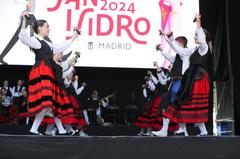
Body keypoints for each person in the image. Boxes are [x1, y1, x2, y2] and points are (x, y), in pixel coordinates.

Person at [18, 11, 80, 135]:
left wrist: (75, 35)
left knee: (49, 103)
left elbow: (62, 46)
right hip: (41, 72)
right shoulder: (36, 41)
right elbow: (22, 37)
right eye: (47, 26)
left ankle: (35, 129)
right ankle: (43, 129)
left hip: (48, 72)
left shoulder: (48, 44)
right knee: (47, 102)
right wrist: (24, 21)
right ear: (39, 28)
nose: (49, 29)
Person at [161, 14, 212, 136]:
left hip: (199, 79)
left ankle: (186, 130)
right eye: (195, 34)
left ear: (203, 37)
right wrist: (169, 39)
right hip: (194, 79)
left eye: (196, 34)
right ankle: (203, 131)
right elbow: (180, 50)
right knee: (191, 103)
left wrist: (198, 21)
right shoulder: (195, 49)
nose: (195, 36)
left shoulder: (204, 48)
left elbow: (200, 34)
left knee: (191, 102)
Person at [152, 35, 189, 137]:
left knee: (173, 105)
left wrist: (169, 39)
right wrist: (161, 49)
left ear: (181, 43)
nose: (175, 46)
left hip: (179, 82)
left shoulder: (184, 53)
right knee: (170, 105)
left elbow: (176, 49)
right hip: (175, 82)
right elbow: (170, 57)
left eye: (177, 43)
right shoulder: (179, 55)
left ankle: (180, 129)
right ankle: (177, 130)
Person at [0, 0, 51, 65]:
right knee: (42, 31)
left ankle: (1, 56)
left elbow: (32, 32)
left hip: (30, 15)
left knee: (40, 31)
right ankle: (57, 51)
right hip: (28, 15)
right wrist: (26, 3)